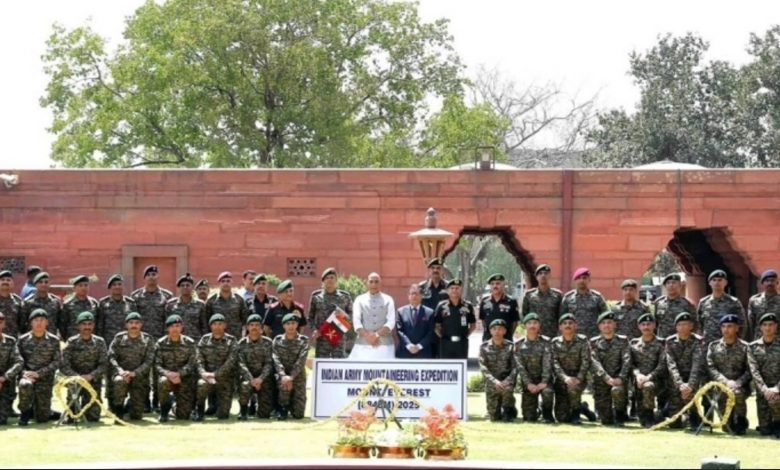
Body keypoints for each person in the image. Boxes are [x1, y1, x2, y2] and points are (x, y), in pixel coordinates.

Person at [131, 265, 172, 413]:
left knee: (158, 372)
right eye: (148, 274)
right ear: (144, 278)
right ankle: (145, 402)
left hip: (160, 340)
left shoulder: (167, 296)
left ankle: (157, 401)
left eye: (154, 274)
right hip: (141, 341)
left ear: (158, 276)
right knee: (142, 373)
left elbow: (169, 319)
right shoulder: (136, 296)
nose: (151, 277)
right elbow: (132, 319)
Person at [707, 314, 751, 435]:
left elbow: (750, 370)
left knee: (737, 393)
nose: (726, 329)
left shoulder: (746, 347)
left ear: (737, 328)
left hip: (740, 386)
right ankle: (730, 420)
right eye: (724, 326)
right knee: (726, 427)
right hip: (721, 387)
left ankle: (741, 420)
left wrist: (738, 382)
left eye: (730, 326)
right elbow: (711, 367)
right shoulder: (713, 346)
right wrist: (725, 381)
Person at [61, 311, 108, 424]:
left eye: (89, 324)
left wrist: (92, 375)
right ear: (78, 326)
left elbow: (104, 364)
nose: (87, 327)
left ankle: (88, 408)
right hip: (75, 381)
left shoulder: (100, 342)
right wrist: (77, 377)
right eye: (84, 324)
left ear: (93, 325)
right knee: (72, 418)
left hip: (93, 381)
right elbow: (64, 364)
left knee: (93, 418)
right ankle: (72, 410)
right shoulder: (71, 342)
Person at [17, 309, 61, 426]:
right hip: (27, 377)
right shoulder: (22, 340)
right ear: (31, 323)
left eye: (42, 320)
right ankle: (25, 412)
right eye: (36, 320)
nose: (39, 323)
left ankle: (45, 411)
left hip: (45, 379)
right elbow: (18, 360)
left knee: (42, 418)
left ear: (47, 322)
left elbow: (57, 361)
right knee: (25, 384)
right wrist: (24, 373)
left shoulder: (54, 340)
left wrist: (39, 373)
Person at [108, 312, 155, 421]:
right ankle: (118, 410)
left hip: (139, 377)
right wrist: (120, 371)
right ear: (126, 325)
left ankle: (130, 405)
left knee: (136, 416)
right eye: (131, 323)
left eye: (137, 323)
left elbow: (149, 360)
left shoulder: (148, 339)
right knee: (119, 381)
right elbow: (111, 357)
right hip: (121, 375)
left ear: (141, 324)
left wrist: (135, 373)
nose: (134, 325)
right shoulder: (119, 338)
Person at [664, 312, 704, 430]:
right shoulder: (670, 341)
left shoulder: (698, 341)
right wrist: (680, 384)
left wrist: (690, 385)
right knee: (674, 424)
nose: (682, 327)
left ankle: (694, 417)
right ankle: (668, 412)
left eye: (686, 324)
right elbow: (671, 365)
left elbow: (696, 364)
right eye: (680, 325)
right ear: (676, 327)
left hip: (693, 379)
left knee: (691, 397)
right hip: (676, 380)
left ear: (691, 326)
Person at [590, 311, 630, 426]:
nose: (606, 325)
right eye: (603, 323)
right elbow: (595, 362)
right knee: (606, 420)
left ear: (615, 325)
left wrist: (621, 377)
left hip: (618, 380)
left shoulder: (623, 341)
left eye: (609, 322)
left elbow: (627, 360)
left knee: (617, 391)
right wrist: (607, 378)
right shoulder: (594, 342)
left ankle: (620, 415)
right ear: (599, 326)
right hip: (601, 382)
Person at [194, 314, 237, 421]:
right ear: (210, 326)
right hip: (207, 378)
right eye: (214, 324)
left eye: (220, 324)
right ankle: (199, 411)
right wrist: (203, 373)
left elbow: (231, 361)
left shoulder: (231, 340)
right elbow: (198, 359)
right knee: (201, 384)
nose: (217, 327)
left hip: (225, 379)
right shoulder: (204, 339)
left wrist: (215, 374)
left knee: (223, 415)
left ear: (225, 325)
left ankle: (217, 406)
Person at [154, 314, 197, 423]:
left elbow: (192, 363)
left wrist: (179, 374)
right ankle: (164, 411)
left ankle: (173, 404)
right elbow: (157, 364)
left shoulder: (189, 343)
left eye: (177, 326)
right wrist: (168, 374)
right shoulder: (160, 343)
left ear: (182, 327)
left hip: (184, 379)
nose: (175, 329)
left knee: (183, 416)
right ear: (167, 328)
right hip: (167, 378)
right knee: (163, 381)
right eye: (172, 326)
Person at [551, 313, 590, 425]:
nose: (567, 325)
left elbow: (586, 360)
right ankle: (583, 408)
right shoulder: (555, 342)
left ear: (575, 326)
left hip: (578, 379)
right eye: (564, 323)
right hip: (561, 380)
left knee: (573, 389)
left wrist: (579, 378)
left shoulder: (583, 340)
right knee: (562, 418)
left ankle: (576, 414)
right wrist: (564, 378)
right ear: (560, 327)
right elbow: (554, 362)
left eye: (570, 323)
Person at [514, 313, 554, 423]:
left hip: (544, 381)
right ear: (525, 326)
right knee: (529, 418)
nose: (532, 325)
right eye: (529, 323)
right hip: (529, 383)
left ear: (539, 325)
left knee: (547, 392)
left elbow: (547, 363)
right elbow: (520, 366)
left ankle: (547, 413)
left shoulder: (546, 342)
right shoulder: (518, 344)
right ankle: (536, 410)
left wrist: (544, 382)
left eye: (535, 323)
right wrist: (528, 383)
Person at [630, 313, 666, 428]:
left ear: (654, 325)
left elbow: (662, 364)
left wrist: (649, 377)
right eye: (643, 324)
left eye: (649, 324)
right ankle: (658, 416)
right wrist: (637, 375)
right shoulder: (633, 343)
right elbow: (630, 363)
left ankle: (650, 416)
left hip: (657, 381)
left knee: (648, 386)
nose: (646, 327)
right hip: (638, 381)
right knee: (642, 420)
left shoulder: (662, 343)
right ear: (639, 327)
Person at [236, 314, 275, 420]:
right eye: (252, 325)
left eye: (257, 325)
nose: (254, 327)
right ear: (247, 327)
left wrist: (260, 379)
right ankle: (243, 410)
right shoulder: (241, 343)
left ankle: (256, 403)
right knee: (244, 385)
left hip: (264, 379)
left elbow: (269, 363)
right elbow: (241, 364)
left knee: (264, 415)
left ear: (261, 327)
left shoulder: (268, 342)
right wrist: (252, 380)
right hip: (248, 378)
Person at [308, 268, 353, 358]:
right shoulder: (316, 297)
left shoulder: (345, 296)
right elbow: (310, 318)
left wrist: (343, 314)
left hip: (339, 337)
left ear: (336, 280)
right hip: (322, 338)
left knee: (338, 364)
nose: (329, 280)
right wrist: (314, 330)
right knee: (322, 364)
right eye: (327, 278)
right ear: (323, 281)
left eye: (332, 277)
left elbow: (352, 317)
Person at [747, 312, 780, 437]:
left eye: (771, 324)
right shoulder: (753, 347)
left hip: (778, 389)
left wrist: (777, 388)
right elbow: (754, 371)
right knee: (765, 430)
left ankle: (778, 422)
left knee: (775, 400)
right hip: (763, 391)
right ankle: (770, 424)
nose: (768, 328)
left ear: (776, 326)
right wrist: (765, 389)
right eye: (765, 325)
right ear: (760, 327)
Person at [479, 319, 517, 422]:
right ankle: (495, 410)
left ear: (504, 331)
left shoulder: (511, 346)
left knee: (507, 390)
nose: (497, 331)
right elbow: (483, 367)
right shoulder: (484, 347)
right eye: (494, 329)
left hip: (506, 381)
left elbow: (515, 367)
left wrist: (507, 381)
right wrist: (494, 381)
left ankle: (508, 410)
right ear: (490, 331)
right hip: (492, 382)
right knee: (494, 417)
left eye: (500, 329)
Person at [272, 314, 309, 420]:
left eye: (293, 323)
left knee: (298, 415)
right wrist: (283, 375)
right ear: (284, 326)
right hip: (282, 376)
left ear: (297, 325)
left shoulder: (304, 340)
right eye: (288, 324)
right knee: (284, 386)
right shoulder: (277, 340)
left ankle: (293, 404)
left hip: (298, 376)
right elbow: (276, 359)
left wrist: (291, 377)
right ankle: (282, 407)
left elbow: (301, 360)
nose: (291, 326)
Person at [350, 273, 395, 360]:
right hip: (363, 344)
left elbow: (391, 322)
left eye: (376, 282)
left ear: (380, 283)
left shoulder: (388, 299)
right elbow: (356, 321)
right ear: (367, 283)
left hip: (384, 345)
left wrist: (376, 335)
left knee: (384, 368)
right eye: (371, 282)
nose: (373, 284)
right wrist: (367, 337)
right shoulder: (359, 299)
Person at [697, 270, 747, 343]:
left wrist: (736, 342)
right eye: (714, 280)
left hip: (726, 344)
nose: (717, 283)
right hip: (708, 343)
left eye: (720, 280)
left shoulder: (733, 302)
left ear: (725, 282)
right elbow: (699, 324)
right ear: (709, 283)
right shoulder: (703, 302)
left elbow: (742, 324)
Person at [560, 267, 608, 340]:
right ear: (575, 280)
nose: (582, 280)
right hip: (574, 338)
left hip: (593, 337)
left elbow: (605, 316)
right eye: (579, 278)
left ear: (589, 280)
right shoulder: (568, 298)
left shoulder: (597, 297)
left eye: (584, 278)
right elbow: (562, 318)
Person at [434, 279, 476, 359]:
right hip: (446, 343)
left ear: (461, 290)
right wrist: (443, 337)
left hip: (462, 343)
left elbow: (473, 325)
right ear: (447, 291)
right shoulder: (441, 306)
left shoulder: (468, 306)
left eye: (457, 288)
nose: (454, 290)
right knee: (446, 365)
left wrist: (465, 335)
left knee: (462, 364)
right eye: (452, 288)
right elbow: (437, 326)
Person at [522, 264, 563, 339]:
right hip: (534, 335)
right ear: (536, 277)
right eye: (540, 273)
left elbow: (561, 315)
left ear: (549, 276)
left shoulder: (557, 295)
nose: (543, 275)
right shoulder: (529, 295)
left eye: (546, 273)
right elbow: (525, 314)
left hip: (552, 335)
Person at [395, 284, 435, 359]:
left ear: (421, 296)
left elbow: (431, 332)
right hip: (405, 352)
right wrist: (409, 345)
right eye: (412, 294)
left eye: (416, 294)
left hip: (423, 352)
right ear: (408, 296)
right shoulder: (401, 311)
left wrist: (419, 346)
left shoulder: (429, 312)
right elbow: (400, 331)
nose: (414, 296)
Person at [205, 272, 247, 339]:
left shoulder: (239, 300)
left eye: (228, 281)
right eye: (223, 281)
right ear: (219, 283)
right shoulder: (212, 301)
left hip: (235, 337)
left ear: (232, 282)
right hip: (217, 338)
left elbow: (245, 319)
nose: (225, 283)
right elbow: (207, 320)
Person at [478, 273, 520, 342]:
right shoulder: (484, 301)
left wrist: (507, 334)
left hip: (506, 339)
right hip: (488, 339)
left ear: (503, 285)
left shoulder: (511, 301)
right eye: (492, 284)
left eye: (498, 283)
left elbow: (514, 322)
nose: (495, 286)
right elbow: (483, 320)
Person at [654, 273, 697, 340]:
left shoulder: (687, 303)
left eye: (674, 283)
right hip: (663, 340)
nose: (671, 285)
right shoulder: (659, 302)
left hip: (680, 341)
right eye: (668, 283)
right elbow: (655, 322)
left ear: (680, 286)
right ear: (665, 286)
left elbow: (695, 324)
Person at [166, 273, 207, 342]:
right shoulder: (171, 304)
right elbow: (167, 325)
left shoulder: (200, 304)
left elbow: (204, 326)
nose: (185, 287)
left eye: (188, 285)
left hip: (195, 341)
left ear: (192, 287)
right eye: (182, 285)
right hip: (176, 341)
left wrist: (204, 342)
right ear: (179, 288)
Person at [98, 274, 137, 342]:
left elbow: (135, 323)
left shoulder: (131, 303)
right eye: (114, 285)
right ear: (110, 287)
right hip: (109, 341)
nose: (117, 287)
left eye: (119, 284)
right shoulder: (103, 303)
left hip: (126, 342)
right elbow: (100, 326)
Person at [0, 311, 23, 425]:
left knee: (1, 419)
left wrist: (4, 378)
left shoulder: (11, 341)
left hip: (5, 384)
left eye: (0, 322)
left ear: (3, 324)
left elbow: (19, 362)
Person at [21, 271, 62, 336]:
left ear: (49, 284)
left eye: (46, 282)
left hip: (51, 338)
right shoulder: (28, 302)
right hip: (33, 339)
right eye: (40, 282)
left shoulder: (56, 301)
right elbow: (22, 323)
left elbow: (61, 322)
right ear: (35, 284)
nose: (43, 284)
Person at [61, 275, 100, 339]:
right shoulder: (67, 304)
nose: (83, 288)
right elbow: (62, 325)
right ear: (74, 288)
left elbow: (98, 323)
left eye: (86, 285)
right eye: (80, 285)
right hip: (74, 340)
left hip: (91, 341)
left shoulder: (94, 303)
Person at [748, 270, 780, 340]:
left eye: (772, 280)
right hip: (759, 340)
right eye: (767, 281)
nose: (770, 283)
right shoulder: (754, 300)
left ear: (777, 282)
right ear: (762, 283)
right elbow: (751, 323)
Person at [0, 270, 23, 338]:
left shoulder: (18, 301)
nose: (5, 282)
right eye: (2, 280)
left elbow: (22, 323)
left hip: (12, 341)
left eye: (8, 280)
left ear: (13, 284)